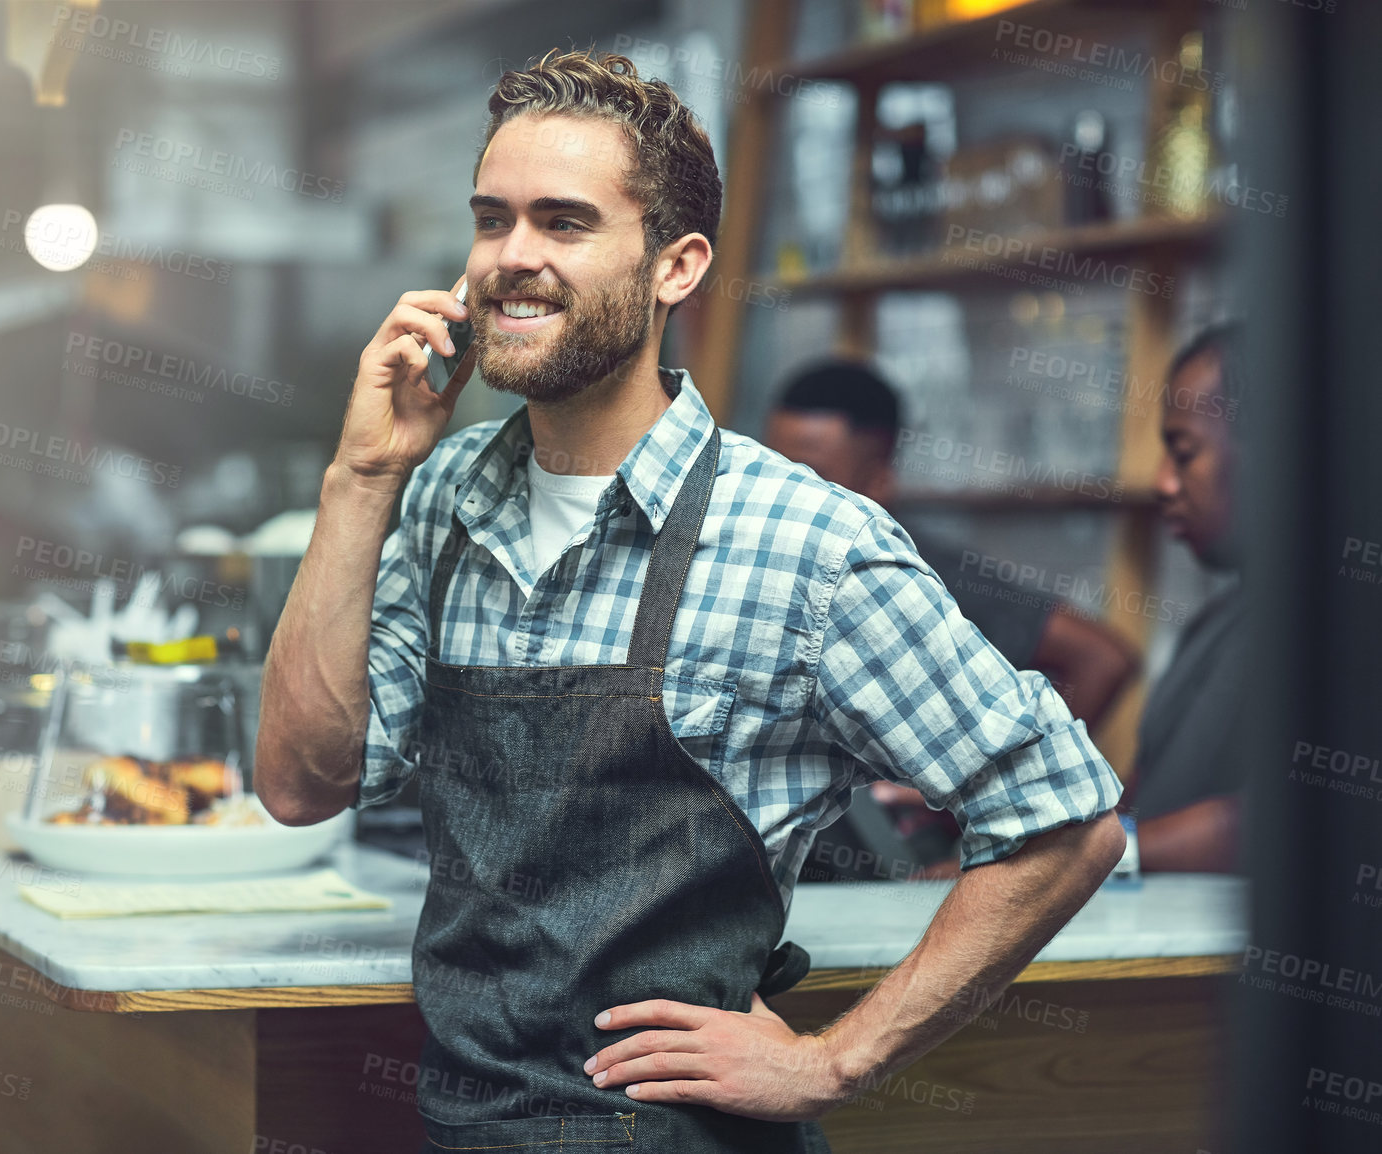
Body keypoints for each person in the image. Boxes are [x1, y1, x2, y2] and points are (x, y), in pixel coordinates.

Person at [254, 49, 1125, 1152]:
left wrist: (832, 1059)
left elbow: (1064, 819)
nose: (510, 258)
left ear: (676, 266)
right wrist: (360, 478)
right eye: (492, 219)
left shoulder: (803, 541)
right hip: (461, 1126)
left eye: (564, 223)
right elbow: (299, 781)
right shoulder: (438, 500)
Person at [764, 362, 1141, 878]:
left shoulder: (922, 570)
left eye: (810, 476)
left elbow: (1102, 657)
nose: (783, 496)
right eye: (771, 471)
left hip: (892, 880)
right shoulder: (759, 564)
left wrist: (962, 800)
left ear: (877, 481)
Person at [1117, 323, 1247, 872]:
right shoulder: (1220, 617)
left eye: (1184, 452)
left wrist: (1097, 858)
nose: (1163, 482)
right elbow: (1141, 801)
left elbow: (1291, 818)